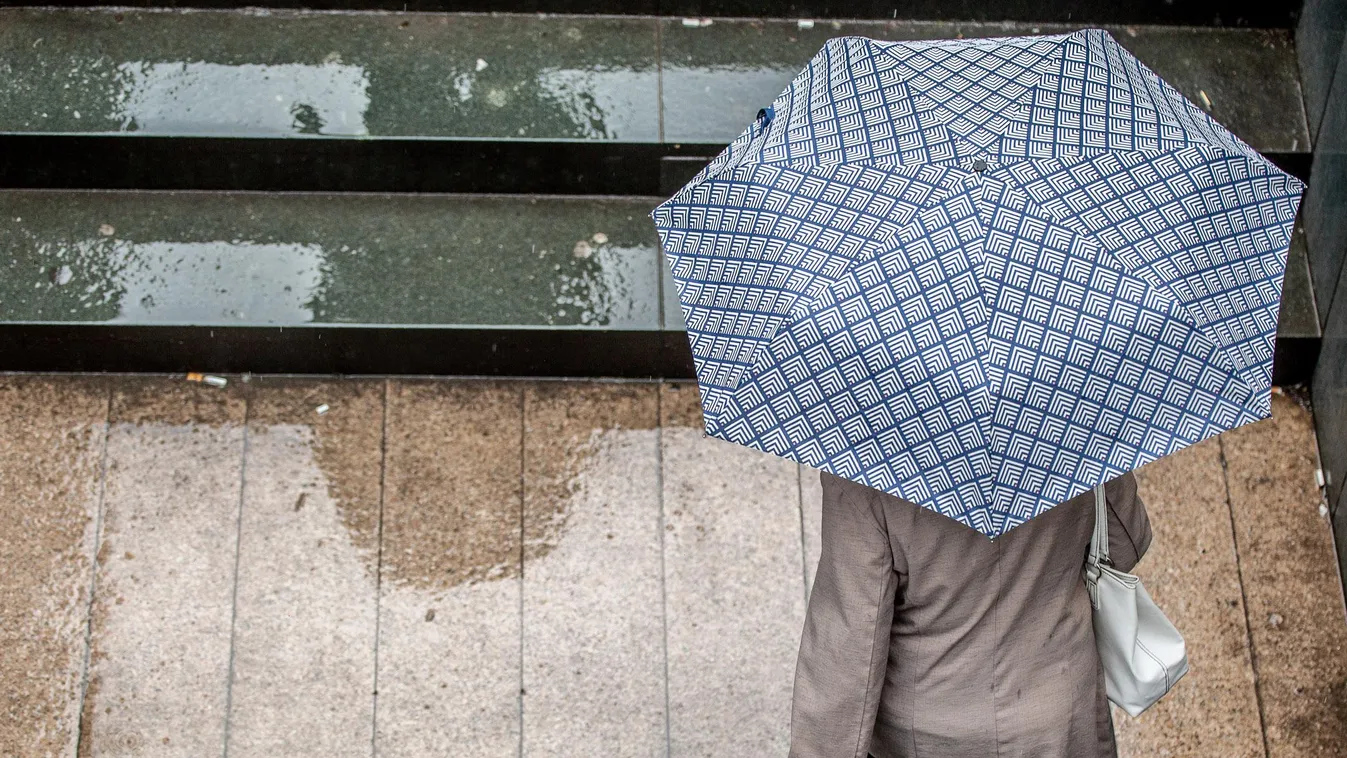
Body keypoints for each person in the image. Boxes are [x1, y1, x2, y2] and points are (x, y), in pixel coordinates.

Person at [790, 471, 1150, 758]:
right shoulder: (1075, 433)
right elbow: (1126, 543)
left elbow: (850, 649)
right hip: (1059, 718)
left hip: (928, 735)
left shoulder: (866, 471)